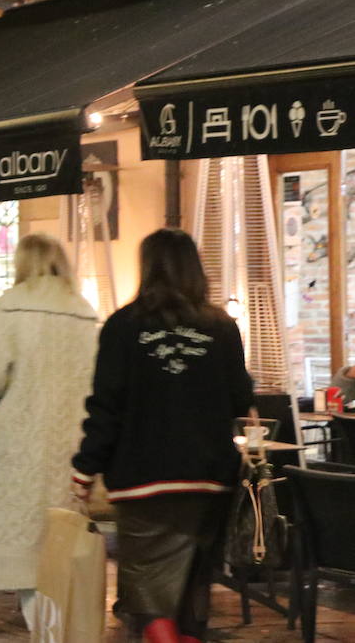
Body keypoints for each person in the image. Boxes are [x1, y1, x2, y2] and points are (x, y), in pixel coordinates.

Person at [72, 229, 254, 643]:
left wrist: (85, 469)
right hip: (209, 478)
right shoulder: (222, 326)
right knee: (193, 585)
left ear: (148, 267)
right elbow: (241, 400)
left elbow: (106, 406)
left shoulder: (122, 326)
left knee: (147, 586)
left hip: (142, 477)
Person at [0, 233, 97, 626]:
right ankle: (58, 629)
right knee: (63, 547)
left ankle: (44, 632)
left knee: (26, 555)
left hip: (20, 443)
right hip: (71, 443)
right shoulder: (83, 310)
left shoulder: (12, 305)